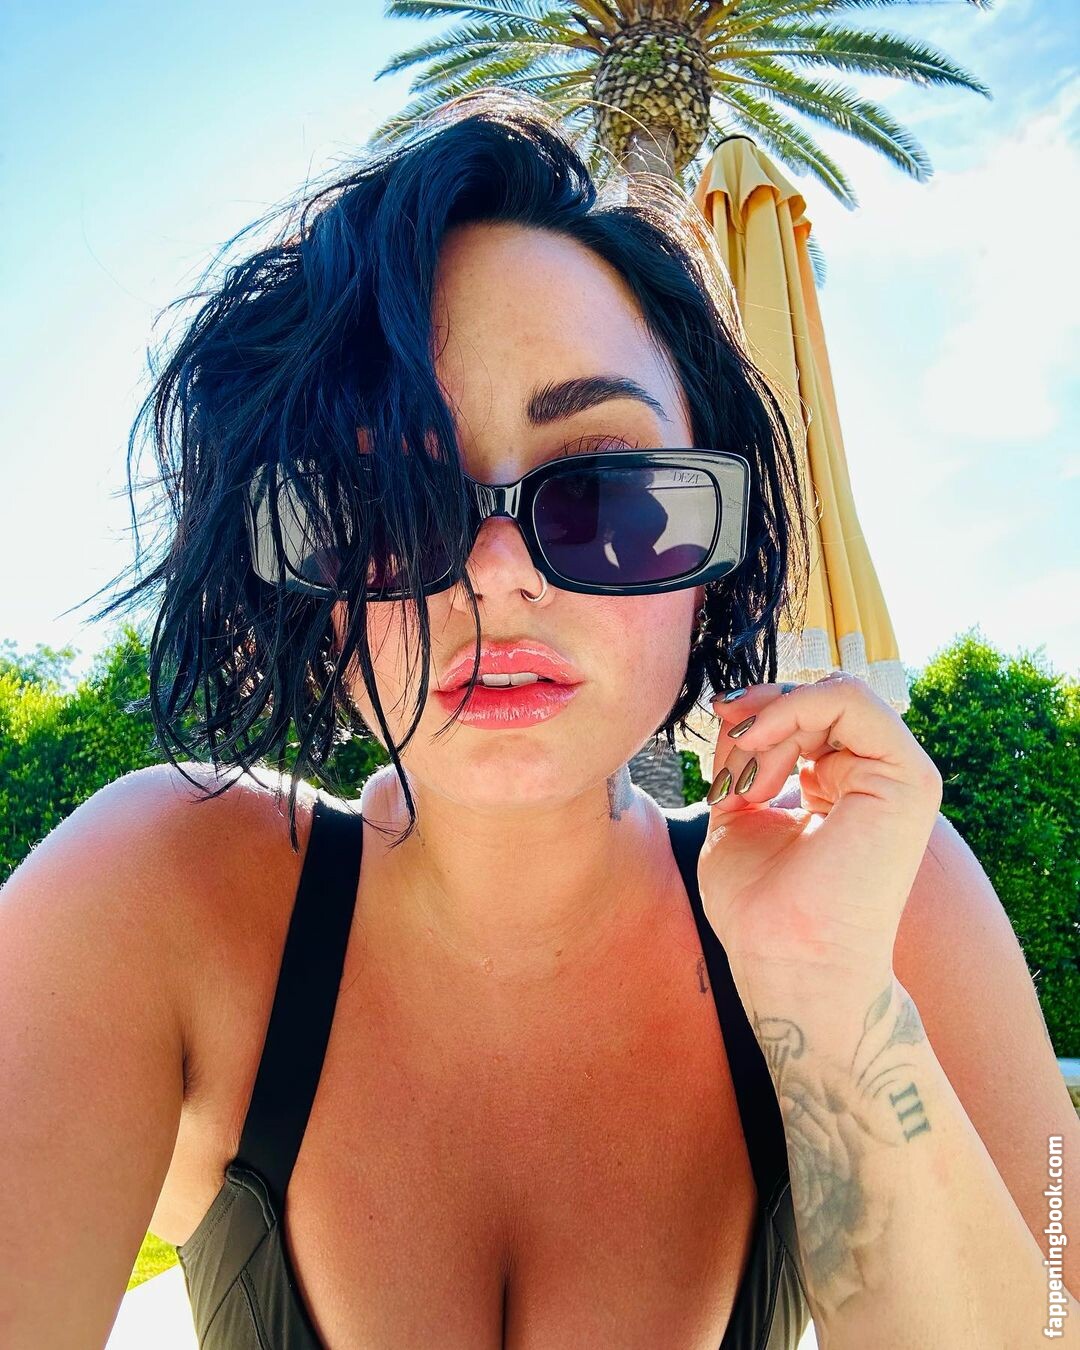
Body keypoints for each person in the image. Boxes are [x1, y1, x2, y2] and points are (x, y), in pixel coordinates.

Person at [3, 89, 1072, 1350]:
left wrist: (834, 1001)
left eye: (608, 494)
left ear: (712, 554)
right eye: (392, 506)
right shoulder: (158, 894)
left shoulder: (881, 893)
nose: (498, 574)